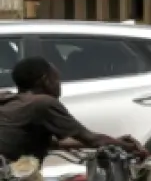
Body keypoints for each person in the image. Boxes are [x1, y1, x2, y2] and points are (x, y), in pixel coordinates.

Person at [0, 57, 143, 161]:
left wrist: (115, 142)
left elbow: (54, 142)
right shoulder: (43, 103)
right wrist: (130, 148)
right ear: (45, 80)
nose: (59, 85)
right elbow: (92, 139)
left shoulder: (15, 102)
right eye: (57, 79)